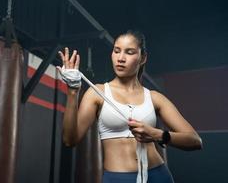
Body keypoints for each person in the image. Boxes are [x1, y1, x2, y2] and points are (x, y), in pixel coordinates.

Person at [57, 30, 202, 183]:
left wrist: (157, 134)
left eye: (130, 52)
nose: (120, 58)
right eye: (116, 51)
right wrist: (73, 91)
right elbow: (69, 140)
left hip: (158, 175)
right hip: (117, 178)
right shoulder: (97, 93)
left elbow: (195, 141)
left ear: (143, 58)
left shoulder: (154, 98)